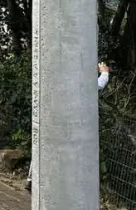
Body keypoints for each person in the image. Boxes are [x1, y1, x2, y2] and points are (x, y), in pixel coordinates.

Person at [26, 62, 110, 191]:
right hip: (66, 123)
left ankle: (32, 179)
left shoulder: (54, 76)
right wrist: (104, 72)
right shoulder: (76, 80)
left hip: (49, 117)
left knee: (42, 148)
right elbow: (98, 85)